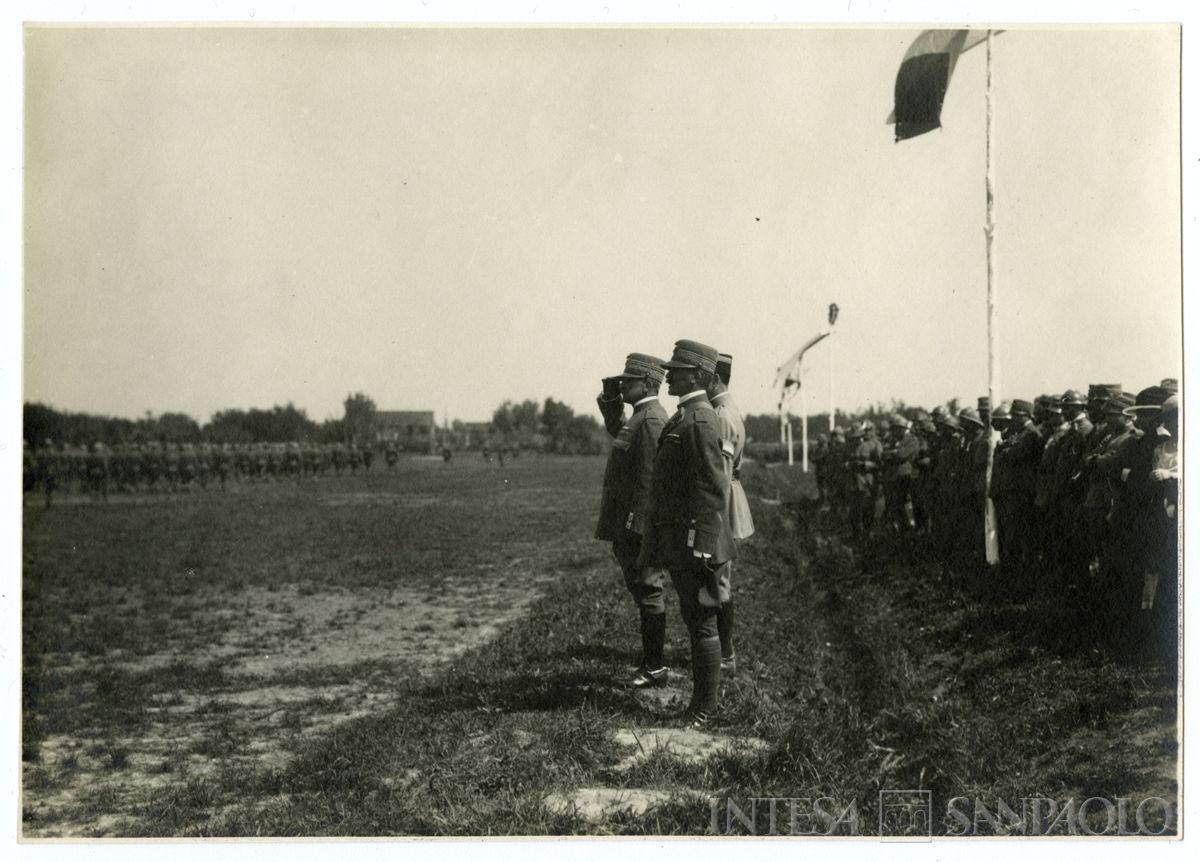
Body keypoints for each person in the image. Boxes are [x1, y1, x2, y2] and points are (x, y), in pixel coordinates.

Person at [640, 339, 733, 727]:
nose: (669, 375)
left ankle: (704, 710)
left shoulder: (700, 421)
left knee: (703, 623)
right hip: (685, 541)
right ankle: (700, 705)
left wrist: (701, 544)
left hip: (698, 544)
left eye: (676, 370)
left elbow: (712, 489)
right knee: (696, 620)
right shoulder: (687, 417)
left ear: (696, 375)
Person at [595, 352, 671, 688]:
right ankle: (652, 664)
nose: (623, 383)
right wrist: (611, 400)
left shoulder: (651, 420)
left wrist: (636, 523)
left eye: (628, 380)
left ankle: (655, 667)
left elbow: (650, 478)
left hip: (639, 524)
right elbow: (618, 430)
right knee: (642, 589)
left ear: (647, 383)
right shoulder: (640, 416)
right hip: (630, 522)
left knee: (649, 589)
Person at [708, 352, 755, 675]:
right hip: (729, 496)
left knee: (719, 581)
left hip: (722, 501)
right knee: (719, 579)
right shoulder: (727, 410)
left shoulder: (722, 415)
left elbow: (721, 473)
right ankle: (723, 651)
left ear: (713, 379)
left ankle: (724, 654)